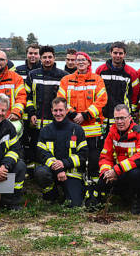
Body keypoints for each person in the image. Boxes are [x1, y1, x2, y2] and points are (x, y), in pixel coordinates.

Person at [88, 104, 140, 214]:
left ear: (130, 118)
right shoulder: (112, 133)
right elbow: (105, 156)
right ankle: (107, 199)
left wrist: (116, 170)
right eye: (116, 118)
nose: (119, 121)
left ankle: (138, 200)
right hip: (118, 172)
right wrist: (106, 172)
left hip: (138, 173)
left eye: (122, 118)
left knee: (136, 174)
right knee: (102, 181)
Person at [58, 52, 107, 183]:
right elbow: (61, 99)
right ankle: (75, 181)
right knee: (73, 153)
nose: (80, 62)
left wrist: (85, 115)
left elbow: (102, 100)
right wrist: (73, 114)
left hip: (92, 127)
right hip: (72, 125)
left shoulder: (97, 79)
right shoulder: (66, 80)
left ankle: (94, 184)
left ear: (89, 62)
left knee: (93, 156)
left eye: (83, 60)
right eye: (77, 60)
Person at [34, 97, 88, 207]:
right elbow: (41, 153)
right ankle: (52, 196)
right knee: (40, 172)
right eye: (55, 110)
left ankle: (68, 194)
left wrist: (64, 163)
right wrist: (58, 169)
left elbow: (83, 155)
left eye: (61, 110)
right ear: (51, 111)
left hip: (71, 173)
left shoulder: (77, 130)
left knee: (74, 205)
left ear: (66, 110)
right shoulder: (46, 130)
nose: (58, 113)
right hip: (52, 171)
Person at [25, 45, 68, 164]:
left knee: (56, 146)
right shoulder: (32, 75)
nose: (47, 60)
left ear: (54, 58)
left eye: (50, 57)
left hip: (56, 120)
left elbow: (66, 99)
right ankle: (35, 171)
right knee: (35, 145)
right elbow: (27, 97)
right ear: (40, 58)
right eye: (44, 57)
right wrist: (31, 113)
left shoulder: (63, 76)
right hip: (36, 120)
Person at [96, 42, 139, 134]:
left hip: (122, 117)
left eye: (120, 53)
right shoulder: (100, 70)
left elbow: (135, 94)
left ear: (125, 54)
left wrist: (132, 112)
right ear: (110, 53)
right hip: (103, 115)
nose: (118, 56)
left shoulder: (131, 73)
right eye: (115, 53)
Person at [15, 44, 41, 170]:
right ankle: (23, 166)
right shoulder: (18, 70)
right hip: (20, 112)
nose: (33, 56)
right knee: (22, 140)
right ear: (26, 54)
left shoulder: (43, 69)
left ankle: (33, 167)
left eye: (36, 53)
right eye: (31, 53)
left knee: (36, 141)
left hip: (35, 114)